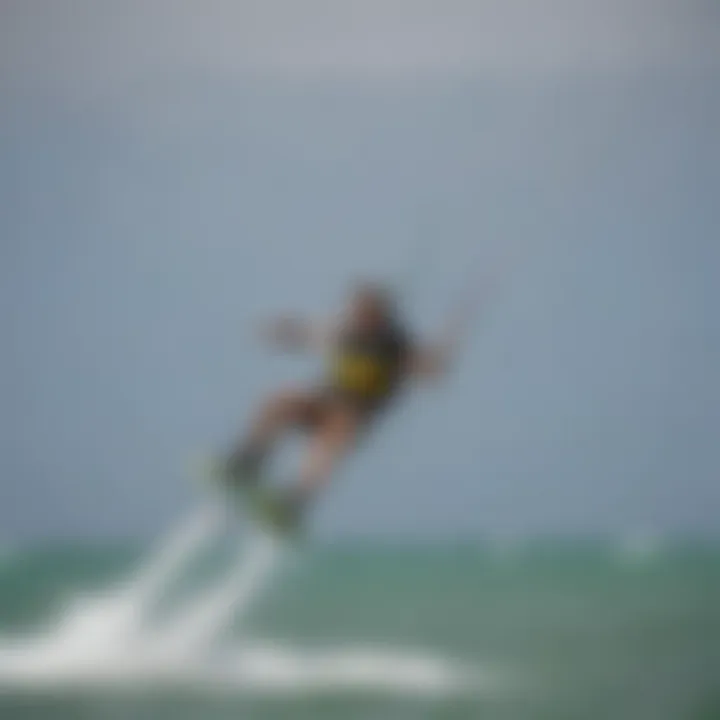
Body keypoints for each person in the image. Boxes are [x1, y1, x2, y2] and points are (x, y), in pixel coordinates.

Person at [221, 281, 462, 530]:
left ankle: (294, 502)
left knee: (334, 438)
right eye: (357, 310)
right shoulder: (346, 331)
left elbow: (429, 372)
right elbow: (304, 333)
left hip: (354, 415)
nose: (360, 316)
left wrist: (439, 359)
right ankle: (247, 461)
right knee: (279, 402)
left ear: (382, 314)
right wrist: (276, 331)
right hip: (324, 401)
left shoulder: (397, 346)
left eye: (368, 311)